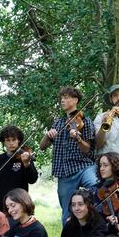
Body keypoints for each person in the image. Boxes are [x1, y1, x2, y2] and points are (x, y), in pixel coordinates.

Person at [39, 86, 97, 224]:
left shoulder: (86, 121)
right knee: (67, 211)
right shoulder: (58, 123)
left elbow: (87, 149)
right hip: (65, 173)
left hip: (84, 167)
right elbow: (42, 147)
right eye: (61, 98)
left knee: (95, 185)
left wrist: (78, 138)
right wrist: (48, 136)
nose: (62, 100)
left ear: (75, 100)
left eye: (66, 97)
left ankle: (94, 222)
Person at [0, 125, 39, 212]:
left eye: (14, 139)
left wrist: (27, 164)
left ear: (19, 140)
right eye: (8, 140)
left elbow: (33, 179)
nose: (11, 143)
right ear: (3, 142)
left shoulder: (24, 158)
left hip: (19, 203)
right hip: (0, 203)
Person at [92, 152, 119, 232]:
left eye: (105, 165)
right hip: (98, 229)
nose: (101, 168)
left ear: (115, 167)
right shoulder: (95, 189)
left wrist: (118, 219)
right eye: (100, 165)